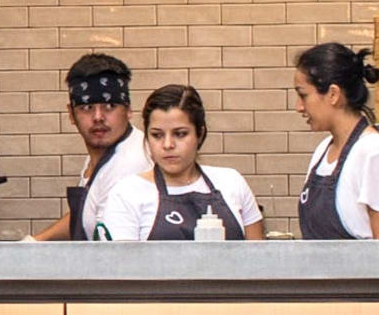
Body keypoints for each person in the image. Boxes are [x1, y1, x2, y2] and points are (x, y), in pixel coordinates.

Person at [85, 83, 266, 240]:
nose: (168, 145)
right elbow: (122, 271)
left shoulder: (231, 181)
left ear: (200, 133)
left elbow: (259, 262)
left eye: (180, 134)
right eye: (157, 135)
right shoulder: (128, 193)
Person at [290, 40, 379, 240]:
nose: (299, 107)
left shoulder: (373, 152)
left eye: (303, 95)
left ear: (333, 94)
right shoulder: (323, 150)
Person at [33, 53, 148, 240]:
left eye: (109, 106)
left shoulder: (130, 163)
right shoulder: (102, 152)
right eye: (86, 108)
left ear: (128, 110)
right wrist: (35, 241)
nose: (98, 117)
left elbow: (108, 251)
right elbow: (89, 212)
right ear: (71, 114)